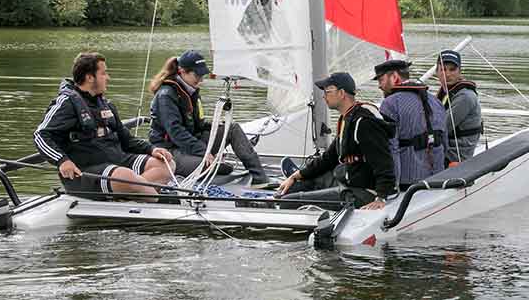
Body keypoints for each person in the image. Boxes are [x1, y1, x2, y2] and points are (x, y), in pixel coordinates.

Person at [33, 52, 174, 198]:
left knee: (166, 164)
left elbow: (127, 139)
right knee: (125, 176)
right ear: (89, 77)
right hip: (85, 172)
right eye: (103, 73)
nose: (108, 78)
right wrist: (62, 161)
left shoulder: (106, 105)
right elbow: (40, 135)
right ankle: (157, 200)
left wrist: (152, 149)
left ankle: (132, 196)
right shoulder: (67, 103)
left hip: (117, 162)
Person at [147, 50, 270, 186]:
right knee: (218, 167)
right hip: (169, 151)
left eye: (202, 75)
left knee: (232, 129)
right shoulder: (166, 95)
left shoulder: (190, 90)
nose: (201, 79)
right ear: (182, 71)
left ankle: (260, 179)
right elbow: (176, 132)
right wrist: (204, 151)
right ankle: (207, 164)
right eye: (197, 75)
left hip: (190, 144)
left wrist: (220, 127)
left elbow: (198, 125)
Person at [276, 72, 396, 210]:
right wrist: (295, 176)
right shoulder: (348, 118)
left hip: (364, 192)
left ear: (342, 93)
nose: (324, 96)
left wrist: (380, 197)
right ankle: (280, 198)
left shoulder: (364, 123)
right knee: (294, 187)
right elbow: (329, 158)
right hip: (349, 181)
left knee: (289, 202)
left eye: (328, 92)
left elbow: (384, 163)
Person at [374, 59, 448, 188]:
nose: (379, 86)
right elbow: (444, 142)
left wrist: (391, 187)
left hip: (408, 183)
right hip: (437, 179)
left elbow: (392, 148)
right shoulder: (435, 101)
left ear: (395, 77)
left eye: (381, 80)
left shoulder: (390, 104)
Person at [436, 50, 482, 165]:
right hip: (445, 149)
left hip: (456, 156)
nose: (447, 74)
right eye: (443, 69)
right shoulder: (446, 92)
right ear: (437, 72)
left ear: (459, 71)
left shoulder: (465, 97)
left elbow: (441, 128)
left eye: (452, 69)